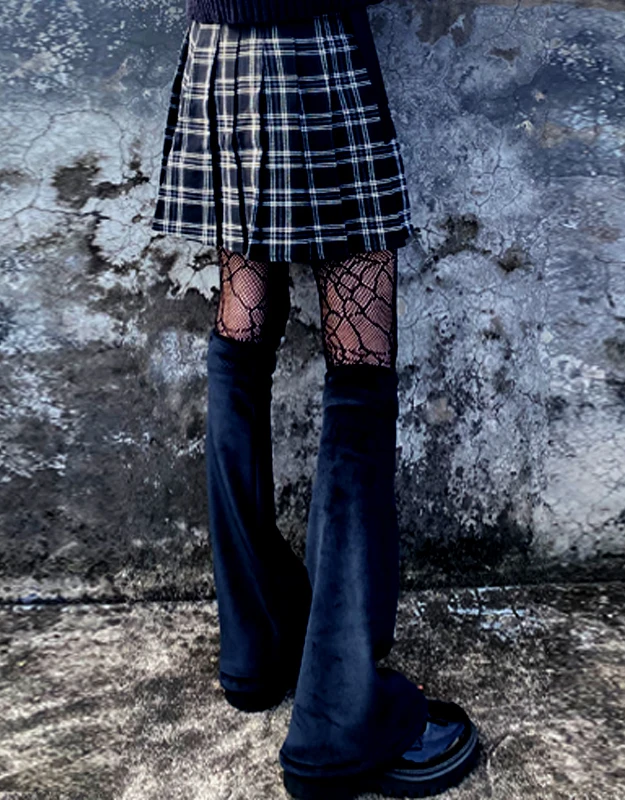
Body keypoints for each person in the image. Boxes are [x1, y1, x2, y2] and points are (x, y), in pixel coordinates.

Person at [151, 0, 481, 797]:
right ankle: (339, 723)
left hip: (221, 56)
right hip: (314, 46)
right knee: (359, 362)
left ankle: (257, 644)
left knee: (242, 328)